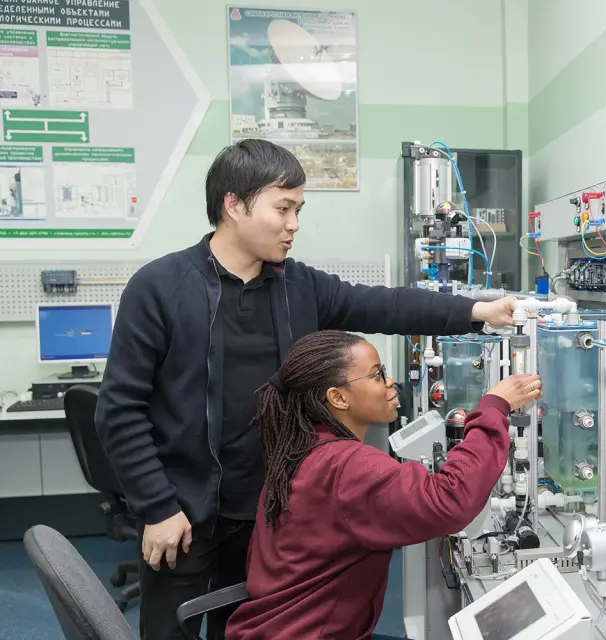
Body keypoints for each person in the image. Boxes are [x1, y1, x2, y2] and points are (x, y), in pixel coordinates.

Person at [94, 138, 518, 640]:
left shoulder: (298, 286)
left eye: (299, 208)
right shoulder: (160, 288)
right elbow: (119, 410)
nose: (295, 223)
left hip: (268, 515)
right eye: (283, 208)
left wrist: (473, 312)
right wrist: (157, 507)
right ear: (233, 204)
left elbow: (382, 305)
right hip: (183, 515)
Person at [224, 330, 541, 640]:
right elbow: (450, 499)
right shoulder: (347, 467)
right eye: (377, 375)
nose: (390, 383)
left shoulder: (305, 449)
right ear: (338, 397)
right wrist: (493, 409)